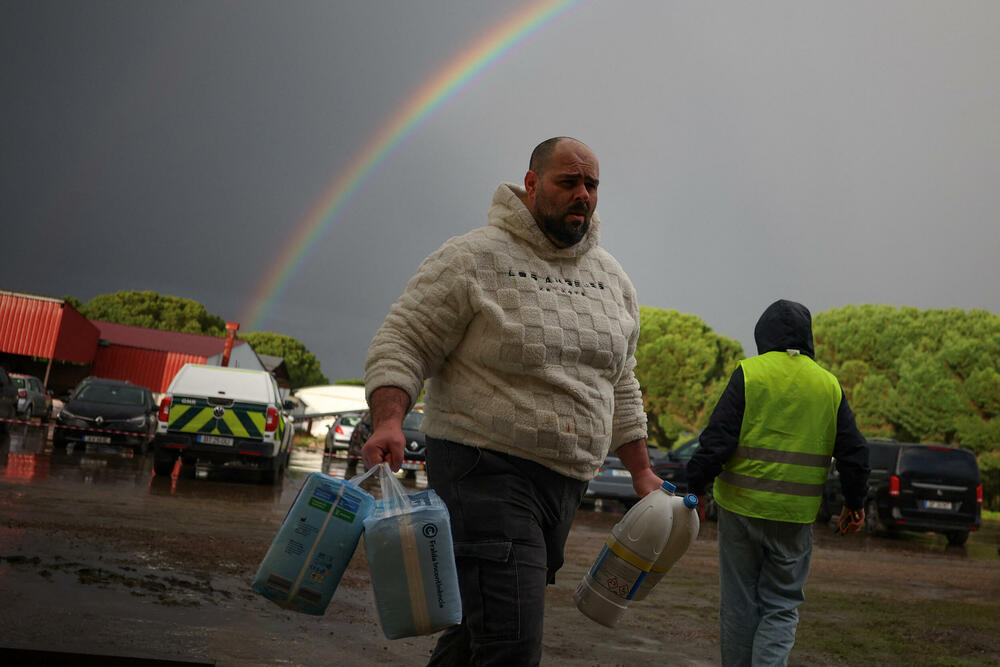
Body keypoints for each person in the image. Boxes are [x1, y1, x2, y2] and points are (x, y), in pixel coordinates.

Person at [362, 137, 662, 665]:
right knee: (513, 642)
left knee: (481, 633)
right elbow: (405, 339)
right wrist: (389, 421)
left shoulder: (613, 280)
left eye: (591, 185)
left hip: (564, 484)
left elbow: (621, 382)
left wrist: (641, 473)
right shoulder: (472, 258)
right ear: (531, 183)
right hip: (485, 470)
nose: (583, 195)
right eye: (568, 182)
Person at [686, 299, 870, 667]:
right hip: (794, 518)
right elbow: (854, 451)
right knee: (782, 605)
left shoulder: (750, 373)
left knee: (739, 603)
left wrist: (694, 489)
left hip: (739, 510)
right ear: (808, 337)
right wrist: (855, 502)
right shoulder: (827, 384)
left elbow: (717, 440)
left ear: (762, 334)